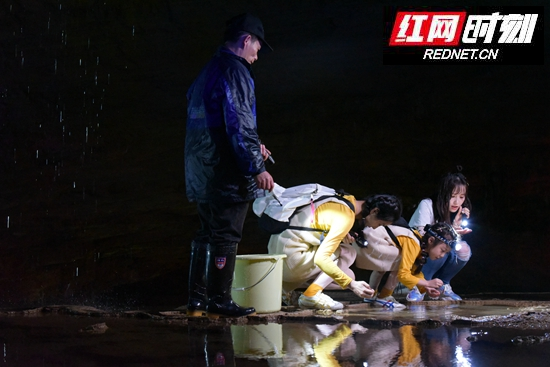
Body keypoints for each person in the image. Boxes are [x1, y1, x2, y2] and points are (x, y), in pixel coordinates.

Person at [185, 13, 275, 318]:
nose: (257, 55)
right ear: (246, 39)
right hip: (226, 172)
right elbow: (239, 123)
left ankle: (197, 300)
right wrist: (255, 166)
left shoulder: (206, 71)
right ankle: (219, 300)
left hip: (201, 171)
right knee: (226, 235)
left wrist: (251, 148)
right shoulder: (235, 71)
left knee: (206, 233)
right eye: (258, 47)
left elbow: (212, 124)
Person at [268, 193, 402, 310]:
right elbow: (321, 259)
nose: (375, 228)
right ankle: (311, 295)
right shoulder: (345, 217)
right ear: (374, 211)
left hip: (279, 259)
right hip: (291, 261)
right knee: (349, 253)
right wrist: (352, 285)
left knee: (348, 274)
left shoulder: (344, 200)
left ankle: (287, 291)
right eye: (380, 224)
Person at [408, 172, 473, 300]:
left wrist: (455, 229)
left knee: (463, 249)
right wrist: (450, 231)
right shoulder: (427, 204)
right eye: (452, 196)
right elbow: (421, 237)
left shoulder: (457, 212)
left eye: (461, 197)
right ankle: (418, 285)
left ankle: (443, 284)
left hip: (439, 252)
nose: (457, 201)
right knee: (440, 246)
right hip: (419, 253)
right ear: (443, 194)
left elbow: (452, 244)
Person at [395, 222, 460, 301]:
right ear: (431, 240)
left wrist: (425, 287)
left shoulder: (419, 247)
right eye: (442, 250)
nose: (442, 256)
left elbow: (415, 271)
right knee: (395, 266)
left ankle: (383, 296)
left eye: (445, 253)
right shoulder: (413, 243)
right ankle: (383, 296)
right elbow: (402, 275)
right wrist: (428, 283)